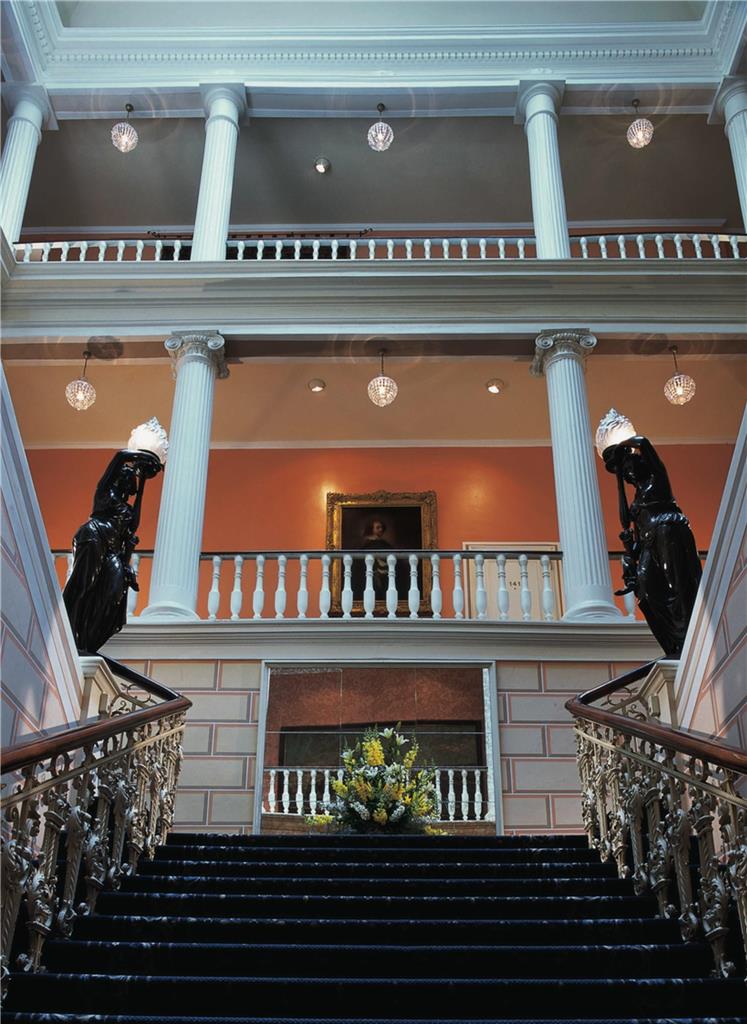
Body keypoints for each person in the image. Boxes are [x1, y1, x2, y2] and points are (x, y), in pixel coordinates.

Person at [603, 435, 701, 658]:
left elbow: (644, 443)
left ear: (641, 463)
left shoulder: (657, 478)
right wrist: (631, 549)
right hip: (649, 542)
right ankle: (673, 639)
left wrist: (622, 445)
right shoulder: (636, 499)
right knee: (645, 588)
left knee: (675, 581)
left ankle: (686, 630)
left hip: (667, 532)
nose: (628, 474)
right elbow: (635, 533)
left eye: (630, 468)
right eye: (625, 473)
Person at [63, 449, 162, 653]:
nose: (127, 478)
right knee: (83, 584)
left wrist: (143, 482)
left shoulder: (128, 510)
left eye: (130, 477)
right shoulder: (105, 492)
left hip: (112, 551)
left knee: (114, 592)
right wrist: (138, 455)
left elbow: (133, 526)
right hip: (94, 536)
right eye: (124, 475)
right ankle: (67, 631)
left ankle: (88, 639)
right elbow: (119, 456)